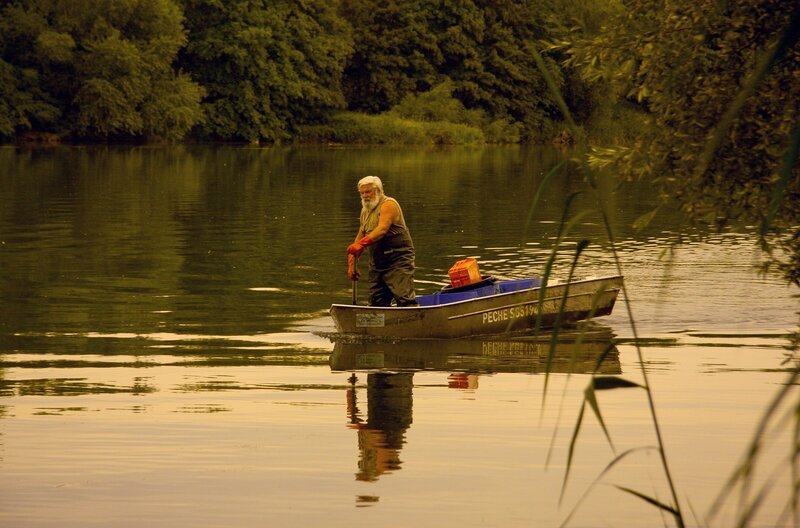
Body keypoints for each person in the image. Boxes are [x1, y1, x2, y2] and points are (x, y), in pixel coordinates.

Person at [346, 175, 417, 306]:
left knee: (403, 297)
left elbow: (382, 229)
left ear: (378, 190)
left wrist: (361, 245)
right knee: (376, 302)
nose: (365, 196)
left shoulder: (388, 204)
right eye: (362, 193)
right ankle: (378, 325)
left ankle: (413, 321)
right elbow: (360, 237)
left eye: (368, 192)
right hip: (377, 262)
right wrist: (352, 264)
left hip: (398, 259)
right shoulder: (365, 210)